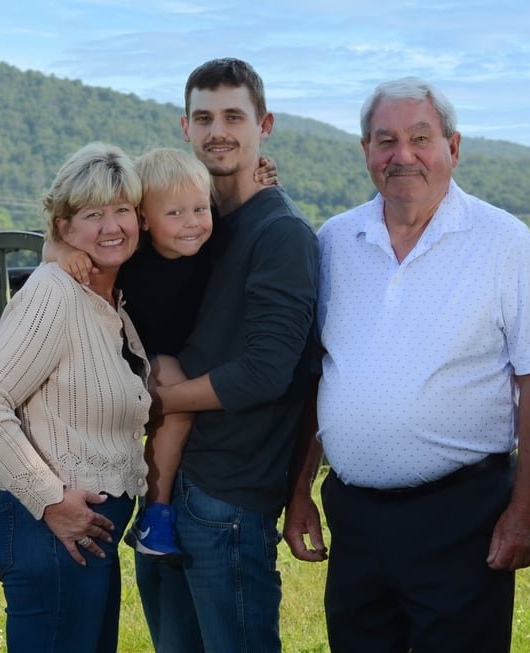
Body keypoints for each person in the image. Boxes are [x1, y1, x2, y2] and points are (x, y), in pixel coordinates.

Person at [283, 76, 530, 652]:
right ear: (366, 151)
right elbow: (318, 377)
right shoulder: (336, 241)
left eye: (420, 138)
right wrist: (297, 493)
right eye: (385, 140)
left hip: (462, 517)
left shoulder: (502, 241)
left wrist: (527, 510)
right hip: (356, 518)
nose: (402, 155)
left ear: (453, 148)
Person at [135, 57, 320, 653]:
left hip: (229, 493)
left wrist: (153, 400)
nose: (219, 130)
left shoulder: (282, 233)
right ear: (184, 127)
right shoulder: (197, 221)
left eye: (234, 116)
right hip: (166, 487)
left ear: (263, 124)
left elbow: (267, 370)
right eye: (205, 117)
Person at [0, 142, 151, 653]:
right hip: (52, 533)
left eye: (122, 210)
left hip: (83, 538)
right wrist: (50, 498)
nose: (112, 227)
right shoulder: (54, 293)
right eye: (93, 214)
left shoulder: (107, 299)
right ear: (63, 228)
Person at [44, 149, 278, 564]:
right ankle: (158, 510)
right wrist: (61, 253)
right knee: (174, 380)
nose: (191, 222)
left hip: (181, 354)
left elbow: (242, 206)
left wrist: (262, 181)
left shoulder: (210, 236)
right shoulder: (131, 254)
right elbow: (58, 243)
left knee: (178, 379)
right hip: (126, 358)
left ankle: (168, 511)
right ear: (145, 220)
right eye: (175, 214)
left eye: (199, 209)